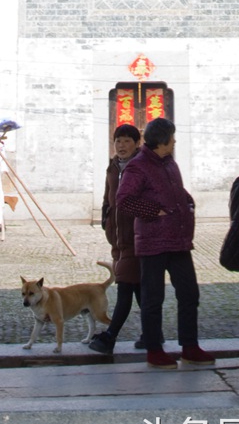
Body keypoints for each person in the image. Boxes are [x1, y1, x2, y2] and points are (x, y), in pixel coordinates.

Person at [116, 116, 215, 369]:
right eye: (172, 138)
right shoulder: (137, 166)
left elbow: (177, 191)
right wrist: (153, 211)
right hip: (153, 242)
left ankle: (190, 347)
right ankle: (154, 350)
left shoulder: (170, 163)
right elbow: (124, 200)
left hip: (179, 240)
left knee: (189, 294)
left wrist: (188, 203)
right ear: (162, 140)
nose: (174, 141)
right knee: (152, 298)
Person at [88, 123, 149, 354]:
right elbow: (108, 198)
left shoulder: (142, 166)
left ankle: (110, 337)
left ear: (137, 143)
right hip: (117, 238)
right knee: (137, 288)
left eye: (126, 141)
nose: (121, 145)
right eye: (118, 141)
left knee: (124, 286)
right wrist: (106, 221)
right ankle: (152, 332)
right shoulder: (113, 167)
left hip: (136, 236)